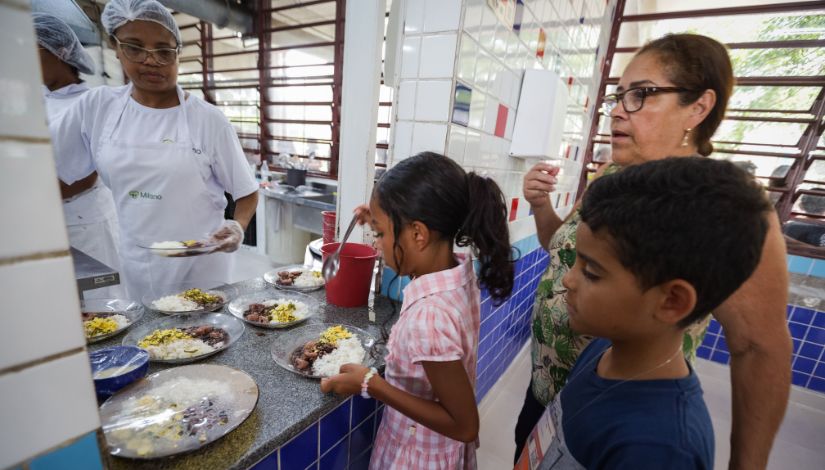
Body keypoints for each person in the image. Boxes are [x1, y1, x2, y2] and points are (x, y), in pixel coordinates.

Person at [517, 34, 792, 469]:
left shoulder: (725, 208)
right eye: (618, 95)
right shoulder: (612, 174)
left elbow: (760, 349)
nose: (617, 110)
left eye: (641, 95)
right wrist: (539, 207)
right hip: (556, 397)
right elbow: (564, 251)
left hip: (622, 420)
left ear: (698, 108)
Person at [530, 156, 772, 469]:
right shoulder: (601, 350)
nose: (568, 280)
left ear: (672, 301)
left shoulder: (661, 450)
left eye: (591, 271)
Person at [51, 0, 259, 299]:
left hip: (200, 263)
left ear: (178, 54)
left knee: (203, 336)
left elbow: (246, 191)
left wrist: (237, 227)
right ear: (115, 47)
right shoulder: (96, 108)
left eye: (163, 51)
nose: (150, 61)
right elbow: (46, 170)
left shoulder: (207, 119)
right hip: (136, 260)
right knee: (145, 335)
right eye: (134, 48)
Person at [320, 152, 514, 469]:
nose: (376, 244)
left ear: (418, 235)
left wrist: (371, 383)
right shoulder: (457, 272)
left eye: (380, 233)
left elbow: (465, 425)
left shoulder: (430, 316)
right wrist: (385, 221)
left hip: (417, 456)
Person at [34, 14, 120, 276]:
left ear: (59, 52)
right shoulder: (39, 100)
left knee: (102, 306)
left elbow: (87, 175)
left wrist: (30, 203)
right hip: (48, 218)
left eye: (32, 50)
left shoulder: (92, 101)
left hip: (86, 223)